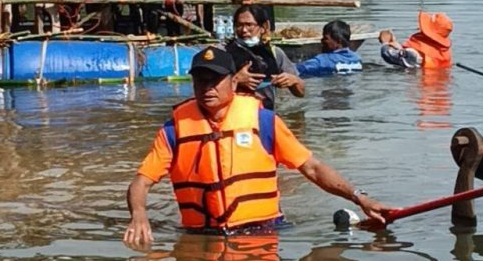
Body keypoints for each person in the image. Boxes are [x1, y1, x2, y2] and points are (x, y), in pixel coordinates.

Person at [123, 45, 391, 246]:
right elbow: (141, 182)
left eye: (215, 80)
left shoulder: (263, 121)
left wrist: (360, 197)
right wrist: (139, 214)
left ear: (232, 80)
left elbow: (312, 167)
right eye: (200, 80)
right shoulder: (174, 130)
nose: (207, 87)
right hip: (201, 236)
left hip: (264, 232)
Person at [225, 4, 304, 109]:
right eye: (239, 25)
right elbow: (207, 91)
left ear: (263, 28)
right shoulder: (223, 53)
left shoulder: (275, 53)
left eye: (249, 25)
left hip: (265, 112)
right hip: (234, 113)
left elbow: (301, 93)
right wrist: (235, 81)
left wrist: (293, 81)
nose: (244, 30)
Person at [379, 11, 454, 69]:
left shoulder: (414, 54)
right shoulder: (444, 51)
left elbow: (388, 55)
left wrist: (385, 42)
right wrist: (395, 44)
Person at [296, 19, 363, 77]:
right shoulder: (357, 59)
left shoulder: (322, 61)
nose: (321, 41)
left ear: (338, 41)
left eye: (326, 38)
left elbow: (295, 70)